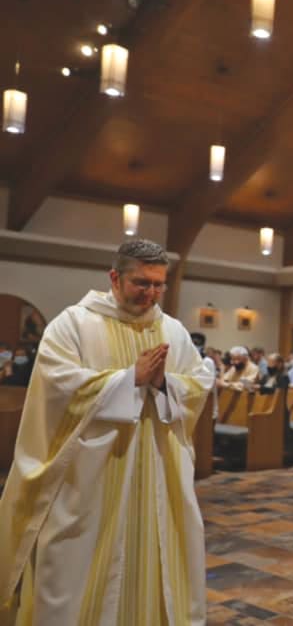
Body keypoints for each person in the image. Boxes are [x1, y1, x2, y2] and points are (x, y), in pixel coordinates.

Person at [0, 239, 213, 623]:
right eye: (141, 283)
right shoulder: (73, 324)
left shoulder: (173, 331)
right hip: (90, 474)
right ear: (114, 278)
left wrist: (167, 384)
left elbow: (198, 383)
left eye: (158, 285)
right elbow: (57, 385)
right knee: (76, 560)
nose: (151, 294)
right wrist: (130, 379)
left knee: (156, 553)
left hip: (157, 473)